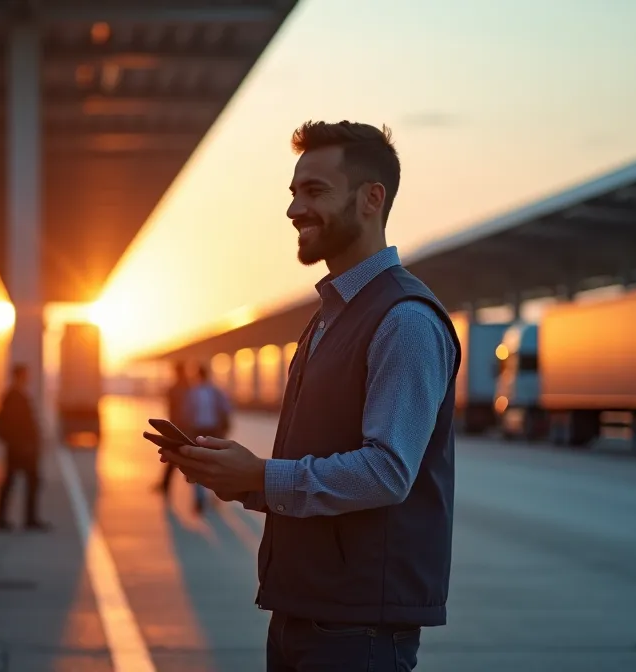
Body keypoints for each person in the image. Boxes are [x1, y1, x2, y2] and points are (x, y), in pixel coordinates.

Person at [158, 120, 460, 671]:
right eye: (294, 193)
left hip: (358, 629)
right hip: (307, 612)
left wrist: (262, 476)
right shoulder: (327, 319)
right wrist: (239, 479)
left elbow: (387, 470)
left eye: (315, 191)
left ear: (372, 199)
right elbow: (313, 460)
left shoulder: (404, 320)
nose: (295, 209)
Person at [0, 364, 49, 531]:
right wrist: (19, 443)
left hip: (22, 447)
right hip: (20, 449)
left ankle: (24, 519)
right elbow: (7, 425)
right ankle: (14, 520)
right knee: (17, 482)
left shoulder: (16, 396)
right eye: (25, 375)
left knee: (25, 482)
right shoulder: (13, 397)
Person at [181, 364, 232, 513]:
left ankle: (201, 498)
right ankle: (211, 496)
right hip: (209, 431)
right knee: (212, 463)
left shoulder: (194, 392)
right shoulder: (214, 391)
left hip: (202, 431)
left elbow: (186, 413)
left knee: (200, 464)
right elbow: (226, 409)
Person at [155, 361, 192, 494]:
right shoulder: (189, 387)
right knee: (179, 457)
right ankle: (164, 485)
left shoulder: (176, 388)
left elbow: (172, 408)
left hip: (179, 426)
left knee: (175, 457)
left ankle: (165, 485)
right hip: (186, 426)